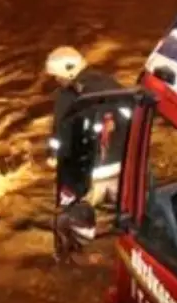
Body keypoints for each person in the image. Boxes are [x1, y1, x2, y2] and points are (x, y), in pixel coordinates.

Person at [45, 46, 132, 261]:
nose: (57, 81)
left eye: (57, 77)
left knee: (68, 221)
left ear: (67, 72)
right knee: (128, 217)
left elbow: (61, 135)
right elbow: (131, 116)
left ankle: (67, 256)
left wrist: (53, 156)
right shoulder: (110, 84)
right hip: (121, 167)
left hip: (88, 174)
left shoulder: (68, 97)